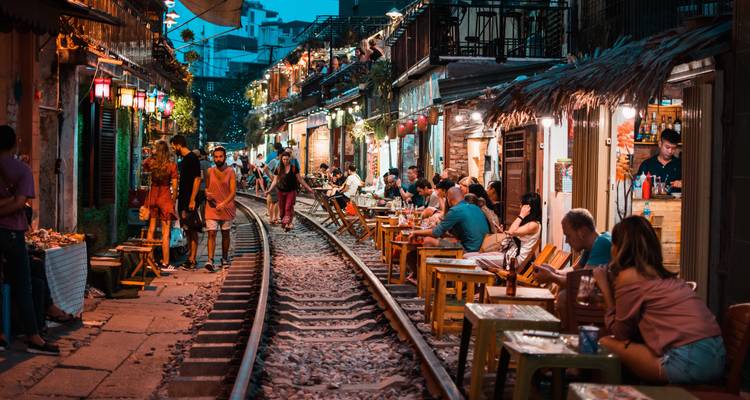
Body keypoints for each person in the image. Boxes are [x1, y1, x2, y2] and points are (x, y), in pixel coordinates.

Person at [594, 216, 724, 384]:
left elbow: (620, 333)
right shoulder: (662, 276)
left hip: (687, 362)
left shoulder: (629, 276)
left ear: (619, 248)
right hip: (717, 356)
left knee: (606, 342)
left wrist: (604, 288)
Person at [0, 125, 59, 355]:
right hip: (13, 233)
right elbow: (19, 203)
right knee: (23, 285)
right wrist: (11, 201)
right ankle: (34, 337)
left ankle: (2, 335)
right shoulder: (22, 170)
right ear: (14, 143)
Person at [533, 208, 612, 323]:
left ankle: (572, 333)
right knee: (563, 291)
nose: (566, 241)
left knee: (564, 296)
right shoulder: (593, 244)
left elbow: (584, 283)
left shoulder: (602, 244)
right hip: (598, 297)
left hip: (610, 303)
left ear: (582, 232)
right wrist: (553, 271)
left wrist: (552, 277)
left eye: (568, 235)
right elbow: (575, 270)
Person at [467, 192, 542, 268]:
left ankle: (483, 279)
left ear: (528, 208)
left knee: (472, 259)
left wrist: (521, 215)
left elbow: (512, 232)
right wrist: (502, 232)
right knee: (467, 256)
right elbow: (512, 234)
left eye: (522, 205)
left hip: (513, 259)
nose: (520, 207)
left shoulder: (534, 225)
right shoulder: (528, 223)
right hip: (508, 253)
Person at [409, 187, 489, 253]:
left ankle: (428, 270)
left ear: (449, 199)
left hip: (469, 250)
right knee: (445, 239)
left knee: (428, 241)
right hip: (482, 247)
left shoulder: (456, 210)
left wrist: (415, 232)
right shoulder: (475, 207)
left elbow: (436, 232)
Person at [142, 140, 178, 271]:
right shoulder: (172, 165)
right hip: (165, 197)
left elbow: (144, 164)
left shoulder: (152, 163)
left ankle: (150, 260)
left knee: (151, 230)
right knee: (165, 232)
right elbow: (174, 185)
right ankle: (165, 262)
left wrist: (152, 155)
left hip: (152, 196)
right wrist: (173, 200)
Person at [170, 135, 202, 270]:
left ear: (178, 145)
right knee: (187, 229)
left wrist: (192, 199)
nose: (173, 149)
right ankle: (190, 258)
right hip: (184, 199)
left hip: (189, 200)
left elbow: (197, 179)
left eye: (173, 147)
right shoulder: (184, 160)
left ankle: (193, 259)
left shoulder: (192, 158)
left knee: (192, 229)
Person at [204, 147, 236, 272]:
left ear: (225, 156)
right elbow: (206, 187)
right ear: (213, 157)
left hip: (226, 207)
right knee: (211, 233)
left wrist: (224, 203)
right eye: (216, 157)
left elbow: (233, 191)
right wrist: (207, 194)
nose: (218, 159)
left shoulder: (230, 171)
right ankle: (210, 260)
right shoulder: (209, 171)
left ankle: (224, 258)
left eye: (220, 156)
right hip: (211, 207)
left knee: (225, 234)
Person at [265, 151, 313, 231]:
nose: (285, 161)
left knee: (288, 207)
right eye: (284, 159)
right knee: (282, 210)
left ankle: (288, 223)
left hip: (291, 191)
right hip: (280, 191)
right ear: (281, 159)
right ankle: (286, 222)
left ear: (289, 159)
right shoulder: (279, 168)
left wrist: (308, 188)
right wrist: (269, 190)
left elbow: (300, 179)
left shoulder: (294, 168)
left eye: (287, 159)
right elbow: (275, 181)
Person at [265, 150, 281, 224]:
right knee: (275, 202)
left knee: (272, 201)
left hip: (273, 182)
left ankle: (272, 218)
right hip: (273, 183)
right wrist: (271, 178)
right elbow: (265, 169)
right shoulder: (276, 161)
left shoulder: (277, 161)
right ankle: (275, 218)